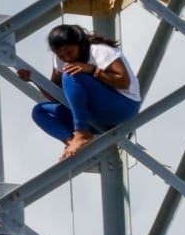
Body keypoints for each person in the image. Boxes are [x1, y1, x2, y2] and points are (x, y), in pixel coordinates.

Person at [17, 24, 141, 160]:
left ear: (80, 44)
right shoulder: (60, 60)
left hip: (122, 108)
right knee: (40, 111)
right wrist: (34, 80)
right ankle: (72, 141)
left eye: (69, 52)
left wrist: (92, 70)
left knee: (70, 73)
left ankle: (82, 133)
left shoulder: (99, 50)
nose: (67, 58)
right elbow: (56, 97)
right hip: (95, 117)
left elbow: (124, 82)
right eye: (61, 55)